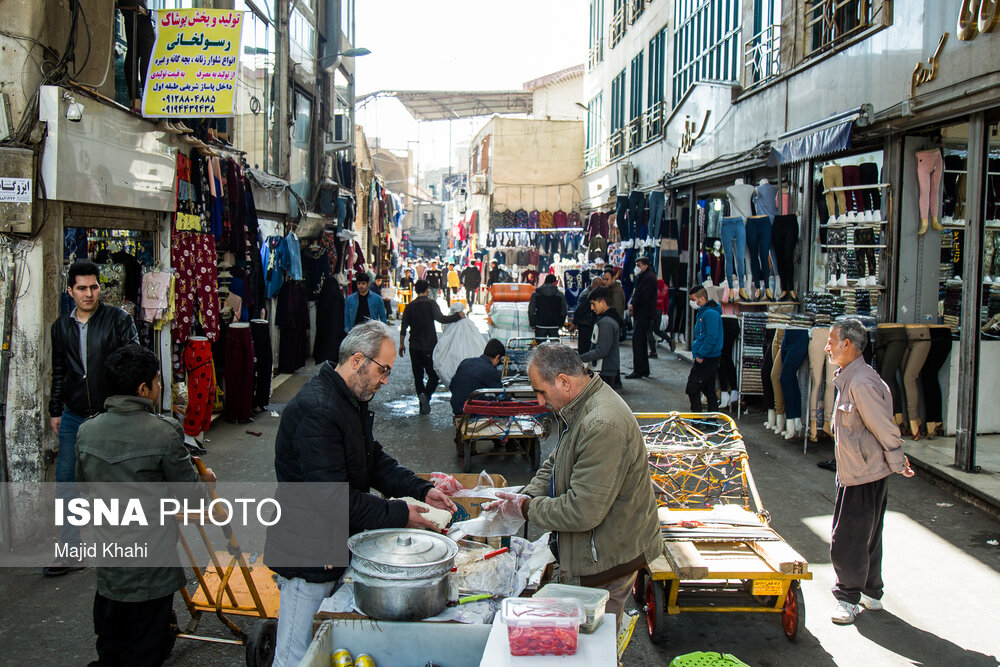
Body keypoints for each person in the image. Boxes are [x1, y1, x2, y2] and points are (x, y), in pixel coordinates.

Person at [265, 321, 457, 666]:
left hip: (334, 544)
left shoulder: (345, 400)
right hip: (308, 554)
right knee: (296, 654)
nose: (385, 381)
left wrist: (422, 490)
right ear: (357, 360)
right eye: (383, 371)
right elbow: (331, 501)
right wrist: (401, 513)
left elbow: (373, 460)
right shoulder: (319, 409)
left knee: (324, 645)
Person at [485, 343, 662, 630]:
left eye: (541, 392)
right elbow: (556, 463)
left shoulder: (602, 423)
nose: (540, 402)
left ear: (564, 382)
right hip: (597, 548)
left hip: (608, 559)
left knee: (596, 646)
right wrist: (525, 495)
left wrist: (527, 508)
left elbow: (582, 511)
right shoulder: (579, 407)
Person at [75, 344, 215, 666]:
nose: (160, 387)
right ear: (143, 389)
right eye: (157, 382)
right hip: (151, 571)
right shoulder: (163, 433)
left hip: (110, 568)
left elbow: (83, 488)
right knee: (142, 652)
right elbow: (191, 498)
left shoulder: (86, 431)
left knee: (111, 648)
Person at [47, 259, 139, 576]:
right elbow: (59, 370)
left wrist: (128, 408)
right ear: (70, 290)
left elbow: (134, 362)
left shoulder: (117, 320)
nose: (89, 294)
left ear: (100, 287)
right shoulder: (60, 327)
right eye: (82, 288)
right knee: (66, 482)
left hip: (109, 412)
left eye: (94, 287)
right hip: (74, 415)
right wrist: (55, 409)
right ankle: (71, 550)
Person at [825, 318, 914, 625]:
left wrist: (898, 460)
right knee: (869, 533)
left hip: (863, 471)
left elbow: (883, 425)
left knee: (848, 537)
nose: (828, 347)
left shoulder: (861, 381)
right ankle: (872, 592)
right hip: (862, 468)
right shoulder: (853, 376)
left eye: (832, 341)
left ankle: (848, 597)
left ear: (847, 345)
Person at [399, 279, 465, 414]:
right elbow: (441, 319)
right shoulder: (431, 304)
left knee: (418, 376)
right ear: (428, 289)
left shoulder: (409, 306)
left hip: (414, 346)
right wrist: (458, 316)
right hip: (429, 346)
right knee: (433, 377)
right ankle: (426, 397)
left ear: (415, 290)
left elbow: (403, 328)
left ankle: (421, 401)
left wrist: (401, 344)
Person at [686, 286, 723, 411]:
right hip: (708, 356)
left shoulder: (709, 314)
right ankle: (710, 420)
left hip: (707, 357)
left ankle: (698, 420)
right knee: (708, 389)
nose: (692, 302)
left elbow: (711, 337)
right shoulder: (706, 312)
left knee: (693, 388)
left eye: (693, 299)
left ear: (702, 299)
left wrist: (701, 354)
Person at [449, 338, 506, 416]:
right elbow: (502, 395)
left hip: (456, 408)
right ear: (497, 356)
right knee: (495, 400)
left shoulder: (466, 362)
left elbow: (452, 385)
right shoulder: (491, 370)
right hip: (470, 412)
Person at [626, 257, 657, 379]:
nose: (636, 268)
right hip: (642, 314)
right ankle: (644, 369)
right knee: (641, 342)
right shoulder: (644, 277)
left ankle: (639, 370)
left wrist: (634, 304)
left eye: (638, 265)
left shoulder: (649, 278)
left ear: (645, 266)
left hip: (644, 314)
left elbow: (643, 296)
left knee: (638, 342)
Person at [528, 274, 567, 340]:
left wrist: (532, 323)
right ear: (554, 282)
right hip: (554, 325)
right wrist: (561, 323)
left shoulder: (536, 293)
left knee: (540, 348)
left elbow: (531, 310)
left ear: (545, 281)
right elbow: (564, 311)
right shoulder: (560, 295)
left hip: (540, 325)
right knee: (555, 348)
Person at [572, 276, 603, 356]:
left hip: (587, 322)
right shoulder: (587, 294)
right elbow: (580, 309)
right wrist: (574, 322)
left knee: (586, 345)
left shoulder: (589, 292)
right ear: (595, 285)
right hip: (585, 323)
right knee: (585, 346)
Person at [602, 269, 627, 342]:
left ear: (613, 278)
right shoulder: (610, 289)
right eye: (603, 279)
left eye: (607, 279)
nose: (604, 282)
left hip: (612, 326)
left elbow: (617, 311)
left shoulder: (616, 291)